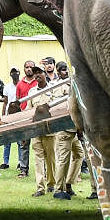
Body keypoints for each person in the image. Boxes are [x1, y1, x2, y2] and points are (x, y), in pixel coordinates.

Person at [51, 65, 82, 199]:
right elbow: (60, 107)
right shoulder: (58, 86)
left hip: (73, 129)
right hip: (64, 129)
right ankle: (58, 189)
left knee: (79, 154)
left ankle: (68, 183)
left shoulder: (72, 83)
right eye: (63, 70)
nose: (65, 72)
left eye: (67, 70)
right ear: (58, 72)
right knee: (63, 159)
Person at [27, 72, 57, 197]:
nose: (37, 75)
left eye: (40, 72)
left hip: (49, 129)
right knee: (38, 158)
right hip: (36, 130)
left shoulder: (53, 89)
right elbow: (28, 111)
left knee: (50, 158)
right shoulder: (32, 91)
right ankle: (40, 187)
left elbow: (57, 108)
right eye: (35, 74)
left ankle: (51, 184)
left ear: (45, 74)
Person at [14, 65, 39, 179]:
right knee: (24, 144)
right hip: (24, 117)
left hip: (38, 116)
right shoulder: (20, 84)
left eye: (31, 67)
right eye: (26, 67)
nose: (29, 69)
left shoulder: (38, 81)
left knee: (41, 144)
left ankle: (44, 169)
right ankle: (24, 169)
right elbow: (18, 101)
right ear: (23, 69)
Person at [0, 68, 20, 169]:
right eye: (12, 72)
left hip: (19, 115)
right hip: (9, 115)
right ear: (10, 74)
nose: (14, 74)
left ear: (19, 73)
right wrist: (3, 116)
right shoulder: (7, 86)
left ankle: (21, 162)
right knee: (7, 140)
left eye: (16, 72)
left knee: (20, 141)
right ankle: (5, 162)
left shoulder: (21, 85)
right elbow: (5, 102)